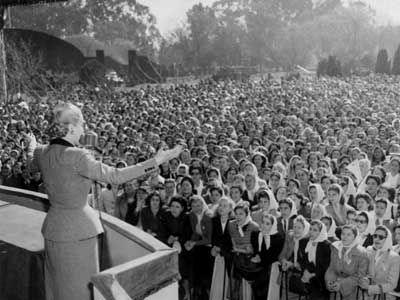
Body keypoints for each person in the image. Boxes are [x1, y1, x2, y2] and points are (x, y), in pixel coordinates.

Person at [25, 102, 182, 300]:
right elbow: (115, 175)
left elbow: (30, 164)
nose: (84, 128)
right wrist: (156, 161)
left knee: (56, 288)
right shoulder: (78, 156)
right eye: (82, 123)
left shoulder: (42, 152)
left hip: (53, 228)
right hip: (79, 232)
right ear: (72, 127)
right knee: (80, 289)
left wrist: (31, 145)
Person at [325, 224, 369, 300]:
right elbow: (331, 268)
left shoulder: (362, 252)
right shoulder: (335, 248)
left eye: (348, 234)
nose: (344, 237)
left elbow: (360, 275)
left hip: (352, 290)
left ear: (354, 237)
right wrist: (329, 280)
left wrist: (342, 284)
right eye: (343, 234)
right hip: (335, 288)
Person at [359, 226, 400, 300]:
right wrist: (364, 280)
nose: (376, 239)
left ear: (387, 239)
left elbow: (392, 284)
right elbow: (363, 272)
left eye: (381, 237)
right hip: (364, 296)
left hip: (385, 296)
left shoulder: (394, 257)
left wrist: (370, 288)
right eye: (375, 236)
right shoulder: (368, 250)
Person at [250, 213, 284, 300]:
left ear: (273, 225)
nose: (264, 226)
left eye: (267, 224)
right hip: (259, 266)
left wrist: (259, 257)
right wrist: (256, 256)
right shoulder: (256, 234)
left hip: (270, 267)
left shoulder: (278, 238)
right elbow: (255, 251)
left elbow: (272, 256)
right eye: (263, 222)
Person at [186, 195, 213, 300]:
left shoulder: (208, 216)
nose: (196, 208)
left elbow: (209, 239)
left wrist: (194, 243)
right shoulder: (192, 215)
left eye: (198, 205)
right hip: (200, 244)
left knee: (203, 269)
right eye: (193, 206)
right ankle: (195, 291)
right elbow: (195, 233)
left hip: (209, 246)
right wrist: (191, 241)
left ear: (203, 204)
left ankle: (206, 292)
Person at [297, 220, 331, 300]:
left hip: (321, 276)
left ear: (320, 232)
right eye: (310, 229)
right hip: (308, 273)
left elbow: (326, 266)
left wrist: (312, 275)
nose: (311, 232)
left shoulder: (326, 245)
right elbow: (302, 261)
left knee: (315, 287)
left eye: (315, 230)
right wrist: (305, 271)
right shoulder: (305, 242)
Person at [210, 197, 234, 300]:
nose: (222, 208)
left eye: (225, 206)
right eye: (220, 205)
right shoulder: (213, 221)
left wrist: (222, 249)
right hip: (216, 255)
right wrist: (214, 247)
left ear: (230, 208)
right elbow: (212, 237)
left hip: (228, 255)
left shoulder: (233, 222)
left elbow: (232, 240)